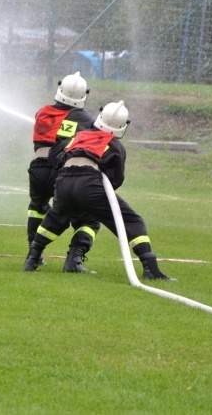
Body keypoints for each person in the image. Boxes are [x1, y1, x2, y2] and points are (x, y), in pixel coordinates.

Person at [24, 100, 175, 281]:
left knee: (56, 218)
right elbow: (116, 179)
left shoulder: (78, 136)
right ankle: (150, 268)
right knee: (131, 220)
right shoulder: (115, 145)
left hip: (63, 180)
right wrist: (93, 191)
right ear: (122, 126)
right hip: (89, 183)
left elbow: (55, 155)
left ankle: (32, 259)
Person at [25, 72, 98, 269]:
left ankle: (34, 253)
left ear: (60, 89)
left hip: (38, 169)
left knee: (37, 208)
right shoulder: (86, 120)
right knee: (87, 217)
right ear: (84, 94)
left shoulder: (43, 112)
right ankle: (74, 259)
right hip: (63, 173)